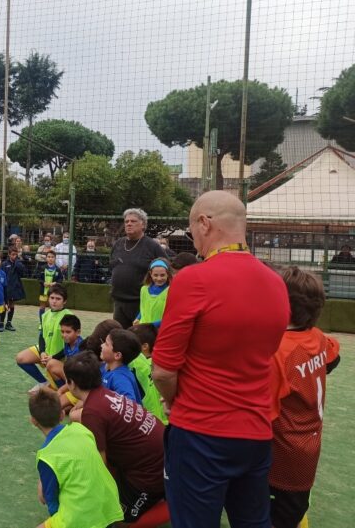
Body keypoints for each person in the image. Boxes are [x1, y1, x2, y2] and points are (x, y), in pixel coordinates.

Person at [152, 190, 290, 528]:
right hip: (256, 432)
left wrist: (173, 400)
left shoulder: (194, 279)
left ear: (204, 223)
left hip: (201, 432)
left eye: (191, 230)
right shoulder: (276, 283)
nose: (193, 239)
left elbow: (163, 372)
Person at [269, 267, 340, 528]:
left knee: (277, 516)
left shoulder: (279, 350)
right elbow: (333, 357)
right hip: (307, 446)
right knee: (295, 506)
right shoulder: (318, 337)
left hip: (283, 453)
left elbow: (261, 411)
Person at [65, 351, 166, 524]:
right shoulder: (104, 394)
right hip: (164, 457)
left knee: (116, 518)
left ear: (71, 383)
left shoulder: (93, 413)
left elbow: (100, 466)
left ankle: (174, 505)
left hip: (152, 474)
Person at [30, 387, 123, 528]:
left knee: (43, 490)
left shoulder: (46, 456)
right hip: (109, 505)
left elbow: (50, 499)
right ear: (62, 414)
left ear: (33, 421)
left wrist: (58, 519)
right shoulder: (81, 429)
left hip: (82, 517)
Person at [109, 208, 167, 328]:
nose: (129, 224)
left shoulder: (152, 246)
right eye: (126, 221)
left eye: (133, 221)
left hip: (140, 303)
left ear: (143, 225)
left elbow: (167, 268)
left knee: (138, 340)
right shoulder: (118, 244)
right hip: (119, 302)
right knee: (120, 340)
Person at [15, 284, 72, 388]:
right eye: (52, 298)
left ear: (64, 301)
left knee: (57, 387)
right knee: (21, 358)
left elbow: (71, 345)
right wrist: (42, 352)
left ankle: (61, 389)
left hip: (60, 357)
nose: (54, 301)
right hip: (46, 352)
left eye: (58, 299)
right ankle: (43, 383)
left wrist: (53, 357)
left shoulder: (68, 316)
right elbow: (42, 335)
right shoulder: (45, 315)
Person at [128, 323, 167, 423]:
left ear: (145, 346)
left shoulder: (136, 363)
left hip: (148, 423)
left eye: (131, 343)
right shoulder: (163, 362)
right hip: (166, 421)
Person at [100, 328, 143, 403]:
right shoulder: (106, 367)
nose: (101, 345)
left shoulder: (120, 378)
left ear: (117, 355)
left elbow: (130, 403)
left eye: (106, 344)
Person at [134, 258, 171, 327]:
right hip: (144, 328)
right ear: (151, 274)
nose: (159, 278)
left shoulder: (170, 291)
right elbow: (143, 308)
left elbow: (170, 315)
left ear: (168, 274)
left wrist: (152, 325)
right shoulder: (144, 289)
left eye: (162, 275)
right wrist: (138, 318)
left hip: (160, 329)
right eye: (155, 275)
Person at [0, 246, 26, 331]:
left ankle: (9, 323)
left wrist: (17, 263)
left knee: (11, 304)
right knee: (4, 305)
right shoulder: (4, 264)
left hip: (14, 287)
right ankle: (1, 323)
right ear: (9, 254)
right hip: (5, 287)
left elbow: (23, 272)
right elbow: (1, 275)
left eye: (16, 254)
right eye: (13, 254)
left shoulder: (18, 263)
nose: (14, 256)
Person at [37, 250, 64, 320]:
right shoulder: (42, 268)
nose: (50, 258)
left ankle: (51, 321)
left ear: (55, 258)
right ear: (46, 258)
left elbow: (61, 280)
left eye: (52, 257)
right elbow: (38, 278)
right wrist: (43, 283)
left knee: (52, 306)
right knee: (42, 306)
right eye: (48, 257)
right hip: (43, 291)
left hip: (53, 292)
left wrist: (55, 283)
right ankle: (42, 322)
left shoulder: (58, 269)